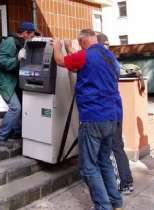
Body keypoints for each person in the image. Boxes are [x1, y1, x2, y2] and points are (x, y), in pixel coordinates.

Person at [53, 29, 123, 210]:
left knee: (89, 167)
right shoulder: (109, 56)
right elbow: (82, 67)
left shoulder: (85, 55)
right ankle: (116, 203)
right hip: (112, 117)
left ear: (83, 41)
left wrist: (56, 47)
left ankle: (102, 206)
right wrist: (70, 49)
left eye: (79, 43)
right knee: (104, 161)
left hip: (93, 119)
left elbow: (60, 61)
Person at [97, 33, 134, 194]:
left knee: (112, 147)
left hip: (108, 112)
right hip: (116, 108)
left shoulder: (99, 59)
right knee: (118, 146)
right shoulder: (112, 60)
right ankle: (127, 182)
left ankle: (123, 183)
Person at [0, 22, 35, 146]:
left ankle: (16, 131)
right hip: (3, 81)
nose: (32, 37)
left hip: (11, 81)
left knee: (19, 106)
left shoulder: (20, 42)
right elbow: (1, 61)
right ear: (25, 33)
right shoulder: (10, 41)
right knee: (16, 108)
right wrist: (17, 59)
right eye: (31, 35)